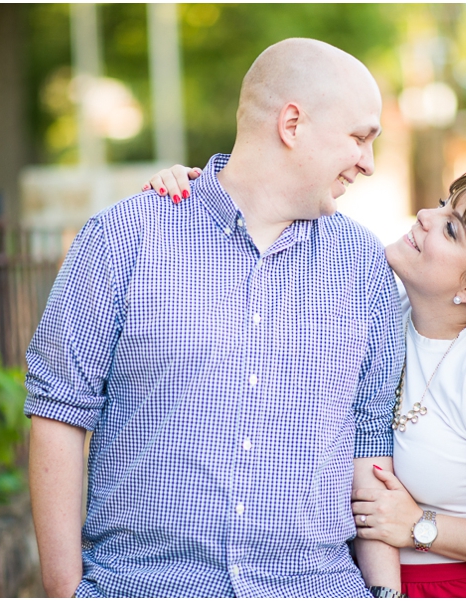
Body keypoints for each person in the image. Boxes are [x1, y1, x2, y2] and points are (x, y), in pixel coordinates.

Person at [25, 38, 406, 598]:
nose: (368, 163)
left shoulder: (364, 267)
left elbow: (368, 442)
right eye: (359, 138)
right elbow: (57, 411)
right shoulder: (124, 238)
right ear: (292, 124)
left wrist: (386, 593)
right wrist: (65, 592)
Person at [147, 168, 466, 597]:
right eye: (441, 204)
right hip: (363, 581)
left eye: (451, 228)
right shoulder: (379, 320)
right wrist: (198, 194)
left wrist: (418, 526)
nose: (426, 216)